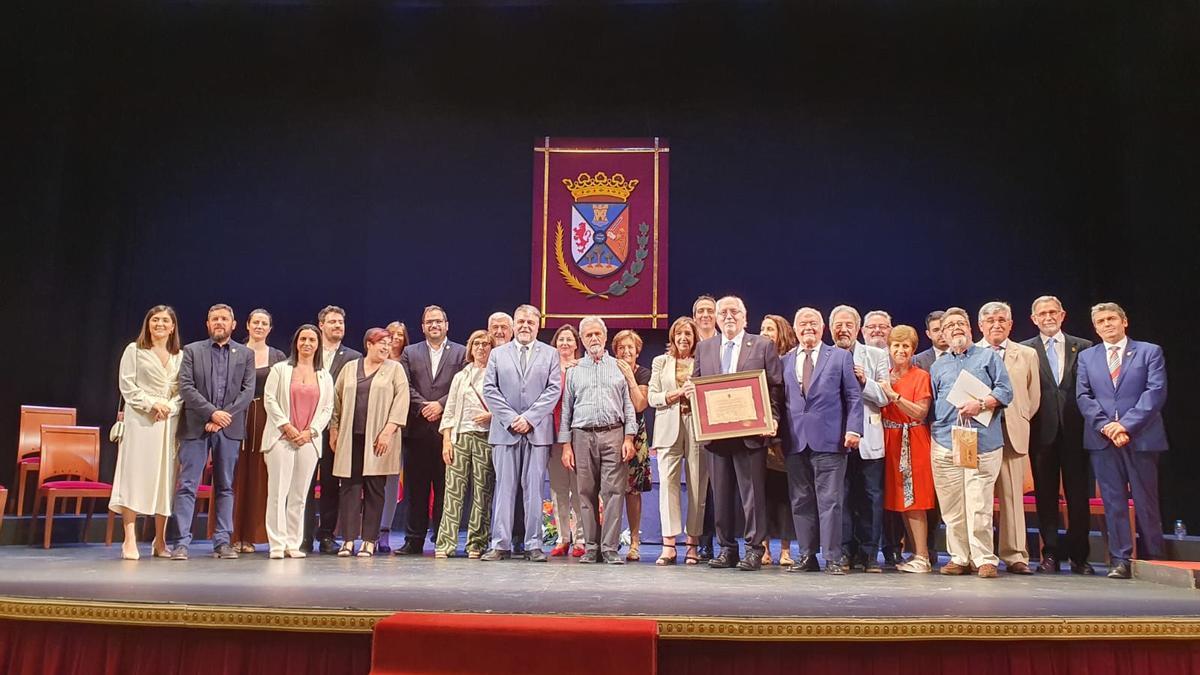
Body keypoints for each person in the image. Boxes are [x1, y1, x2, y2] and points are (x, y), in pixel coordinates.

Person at [684, 295, 784, 572]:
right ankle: (726, 548)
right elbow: (698, 383)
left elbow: (774, 387)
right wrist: (693, 391)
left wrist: (773, 418)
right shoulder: (705, 347)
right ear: (716, 318)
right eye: (723, 312)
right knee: (721, 494)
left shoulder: (762, 345)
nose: (728, 316)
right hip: (716, 436)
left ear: (745, 317)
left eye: (734, 311)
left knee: (752, 495)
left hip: (750, 435)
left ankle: (754, 549)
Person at [1076, 302, 1169, 579]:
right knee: (1113, 502)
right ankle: (1121, 559)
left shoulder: (1149, 352)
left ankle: (1154, 558)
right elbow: (1083, 396)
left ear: (1124, 321)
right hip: (1102, 440)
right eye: (1101, 321)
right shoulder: (1087, 357)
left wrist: (1125, 425)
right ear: (1095, 327)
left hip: (1140, 437)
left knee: (1145, 501)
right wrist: (1106, 426)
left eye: (1112, 319)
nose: (1107, 324)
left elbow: (1155, 392)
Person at [928, 307, 1013, 578]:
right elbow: (934, 402)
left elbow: (1005, 391)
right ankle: (959, 557)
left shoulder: (987, 356)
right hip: (945, 441)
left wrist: (981, 403)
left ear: (970, 328)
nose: (955, 328)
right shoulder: (938, 365)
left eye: (960, 323)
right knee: (952, 505)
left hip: (983, 441)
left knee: (978, 503)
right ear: (941, 333)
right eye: (949, 325)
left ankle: (984, 558)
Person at [778, 307, 863, 575]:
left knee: (831, 501)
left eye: (813, 323)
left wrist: (853, 430)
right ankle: (806, 555)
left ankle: (834, 557)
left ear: (823, 328)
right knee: (801, 501)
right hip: (795, 441)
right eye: (802, 324)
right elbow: (780, 402)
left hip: (830, 441)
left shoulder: (839, 357)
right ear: (794, 329)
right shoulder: (784, 361)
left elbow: (853, 396)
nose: (808, 328)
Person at [169, 304, 257, 560]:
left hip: (229, 429)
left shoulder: (245, 354)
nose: (220, 322)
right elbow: (186, 387)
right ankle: (181, 543)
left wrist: (221, 418)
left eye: (224, 319)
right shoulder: (192, 350)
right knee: (187, 485)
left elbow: (247, 391)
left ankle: (222, 542)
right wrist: (211, 413)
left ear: (234, 324)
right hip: (195, 426)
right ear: (208, 324)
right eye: (215, 319)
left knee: (226, 486)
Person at [481, 304, 562, 561]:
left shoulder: (550, 354)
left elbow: (553, 390)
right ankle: (500, 544)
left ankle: (533, 545)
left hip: (537, 433)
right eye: (521, 322)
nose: (525, 326)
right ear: (514, 325)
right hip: (505, 432)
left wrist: (529, 419)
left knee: (534, 490)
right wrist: (512, 419)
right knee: (504, 489)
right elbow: (490, 390)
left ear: (538, 326)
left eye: (531, 322)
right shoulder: (498, 354)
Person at [1022, 296, 1095, 574]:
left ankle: (1080, 556)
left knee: (1078, 496)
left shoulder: (1084, 348)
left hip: (1077, 432)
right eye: (1042, 313)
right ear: (1034, 319)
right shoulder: (1026, 350)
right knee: (1046, 496)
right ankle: (1050, 554)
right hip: (1041, 433)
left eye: (1053, 312)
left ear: (1063, 315)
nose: (1048, 317)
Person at [559, 317, 638, 564]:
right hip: (581, 435)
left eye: (597, 334)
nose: (593, 338)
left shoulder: (619, 367)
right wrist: (566, 445)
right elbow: (566, 410)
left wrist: (629, 437)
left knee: (613, 492)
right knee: (585, 492)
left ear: (605, 337)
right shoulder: (574, 371)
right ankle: (592, 547)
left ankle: (610, 548)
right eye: (588, 335)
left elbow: (628, 406)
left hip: (614, 433)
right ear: (581, 340)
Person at [110, 305, 183, 560]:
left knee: (164, 478)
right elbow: (126, 386)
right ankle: (129, 539)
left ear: (173, 327)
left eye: (165, 320)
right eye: (155, 320)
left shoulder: (179, 356)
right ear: (148, 324)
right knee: (135, 475)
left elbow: (182, 391)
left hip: (167, 423)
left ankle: (159, 540)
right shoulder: (135, 350)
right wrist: (152, 404)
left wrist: (170, 407)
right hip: (141, 419)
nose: (160, 324)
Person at [329, 328, 409, 557]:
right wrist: (334, 429)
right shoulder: (350, 367)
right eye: (381, 343)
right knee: (350, 489)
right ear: (369, 345)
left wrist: (388, 431)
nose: (386, 347)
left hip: (379, 438)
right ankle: (348, 540)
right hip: (350, 437)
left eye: (388, 343)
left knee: (375, 488)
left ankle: (369, 540)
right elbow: (337, 400)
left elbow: (401, 402)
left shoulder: (395, 369)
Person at [396, 305, 467, 555]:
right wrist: (424, 406)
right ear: (423, 326)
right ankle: (413, 540)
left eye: (438, 321)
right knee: (416, 490)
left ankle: (442, 538)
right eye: (429, 322)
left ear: (447, 325)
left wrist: (440, 405)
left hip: (447, 432)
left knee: (445, 488)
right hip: (417, 431)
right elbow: (405, 384)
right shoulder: (409, 352)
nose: (434, 325)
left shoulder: (461, 352)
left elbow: (463, 385)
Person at [977, 301, 1041, 575]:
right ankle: (980, 555)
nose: (996, 324)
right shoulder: (971, 352)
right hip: (978, 435)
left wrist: (1019, 419)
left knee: (1012, 496)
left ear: (1011, 324)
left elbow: (1033, 397)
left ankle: (1015, 554)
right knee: (978, 498)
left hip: (1012, 434)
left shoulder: (1026, 354)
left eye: (1002, 319)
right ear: (980, 326)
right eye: (990, 320)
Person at [262, 324, 334, 559]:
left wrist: (311, 431)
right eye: (303, 339)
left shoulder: (324, 375)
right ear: (296, 342)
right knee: (278, 493)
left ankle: (293, 543)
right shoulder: (280, 369)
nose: (307, 343)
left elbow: (327, 408)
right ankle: (276, 543)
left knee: (300, 495)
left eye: (312, 340)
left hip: (308, 441)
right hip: (281, 438)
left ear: (318, 344)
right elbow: (270, 399)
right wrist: (286, 426)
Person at [828, 305, 891, 573]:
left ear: (857, 328)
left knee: (870, 497)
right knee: (840, 497)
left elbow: (886, 397)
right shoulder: (826, 355)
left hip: (868, 437)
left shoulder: (876, 355)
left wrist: (865, 382)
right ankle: (843, 553)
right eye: (838, 325)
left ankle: (868, 555)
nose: (843, 330)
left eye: (848, 325)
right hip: (834, 439)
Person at [649, 317, 708, 566]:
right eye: (678, 333)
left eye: (688, 333)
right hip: (667, 428)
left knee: (697, 487)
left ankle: (692, 545)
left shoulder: (704, 361)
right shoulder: (660, 362)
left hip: (697, 426)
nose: (683, 338)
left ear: (695, 337)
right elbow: (652, 396)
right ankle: (669, 545)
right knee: (668, 487)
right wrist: (676, 394)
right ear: (672, 337)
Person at [877, 325, 935, 573]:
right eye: (896, 346)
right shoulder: (885, 375)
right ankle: (913, 553)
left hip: (913, 439)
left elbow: (921, 412)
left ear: (913, 350)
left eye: (906, 346)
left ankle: (922, 555)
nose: (901, 350)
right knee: (901, 499)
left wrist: (894, 396)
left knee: (916, 500)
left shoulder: (921, 376)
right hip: (889, 440)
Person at [434, 329, 496, 558]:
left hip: (485, 437)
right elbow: (449, 410)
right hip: (460, 436)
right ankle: (446, 543)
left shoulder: (497, 375)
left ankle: (476, 543)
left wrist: (492, 417)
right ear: (470, 348)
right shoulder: (461, 376)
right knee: (453, 491)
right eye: (476, 344)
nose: (481, 348)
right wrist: (447, 441)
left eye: (486, 344)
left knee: (482, 491)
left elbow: (505, 406)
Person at [307, 305, 363, 554]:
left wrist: (337, 427)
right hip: (306, 428)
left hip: (335, 430)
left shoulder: (353, 357)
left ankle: (327, 535)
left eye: (340, 322)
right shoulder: (308, 351)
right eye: (332, 322)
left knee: (330, 484)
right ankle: (302, 535)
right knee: (304, 483)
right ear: (321, 325)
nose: (338, 326)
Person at [231, 308, 286, 554]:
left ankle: (253, 535)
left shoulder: (277, 356)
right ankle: (233, 534)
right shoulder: (235, 352)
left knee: (260, 477)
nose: (260, 326)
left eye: (264, 323)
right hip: (237, 416)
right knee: (236, 476)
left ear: (270, 328)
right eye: (256, 322)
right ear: (247, 325)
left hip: (266, 418)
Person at [757, 314, 797, 567]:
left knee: (784, 496)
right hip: (758, 437)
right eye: (762, 328)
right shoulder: (754, 360)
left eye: (770, 328)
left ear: (781, 332)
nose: (764, 332)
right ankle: (763, 548)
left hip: (785, 436)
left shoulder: (791, 360)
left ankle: (785, 549)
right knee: (762, 495)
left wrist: (779, 433)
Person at [612, 329, 651, 561]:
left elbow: (639, 405)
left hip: (635, 435)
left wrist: (629, 377)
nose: (626, 352)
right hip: (610, 433)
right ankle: (610, 538)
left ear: (638, 351)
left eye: (631, 348)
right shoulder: (607, 369)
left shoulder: (643, 372)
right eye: (621, 348)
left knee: (632, 490)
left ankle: (635, 542)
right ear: (615, 351)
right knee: (609, 489)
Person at [548, 323, 586, 557]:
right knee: (558, 489)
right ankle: (563, 538)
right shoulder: (547, 370)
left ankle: (580, 540)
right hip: (553, 437)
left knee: (580, 489)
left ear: (576, 344)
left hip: (579, 437)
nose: (564, 343)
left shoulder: (583, 368)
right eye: (560, 340)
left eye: (569, 340)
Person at [691, 294, 719, 561]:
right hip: (691, 424)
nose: (705, 315)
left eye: (710, 310)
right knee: (700, 487)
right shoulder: (686, 344)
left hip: (721, 423)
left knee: (716, 487)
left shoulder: (727, 345)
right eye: (700, 311)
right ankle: (700, 540)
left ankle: (715, 541)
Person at [379, 320, 409, 553]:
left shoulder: (407, 362)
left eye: (401, 334)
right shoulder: (371, 362)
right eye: (392, 334)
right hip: (372, 430)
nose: (396, 337)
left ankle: (384, 531)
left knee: (391, 482)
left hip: (401, 430)